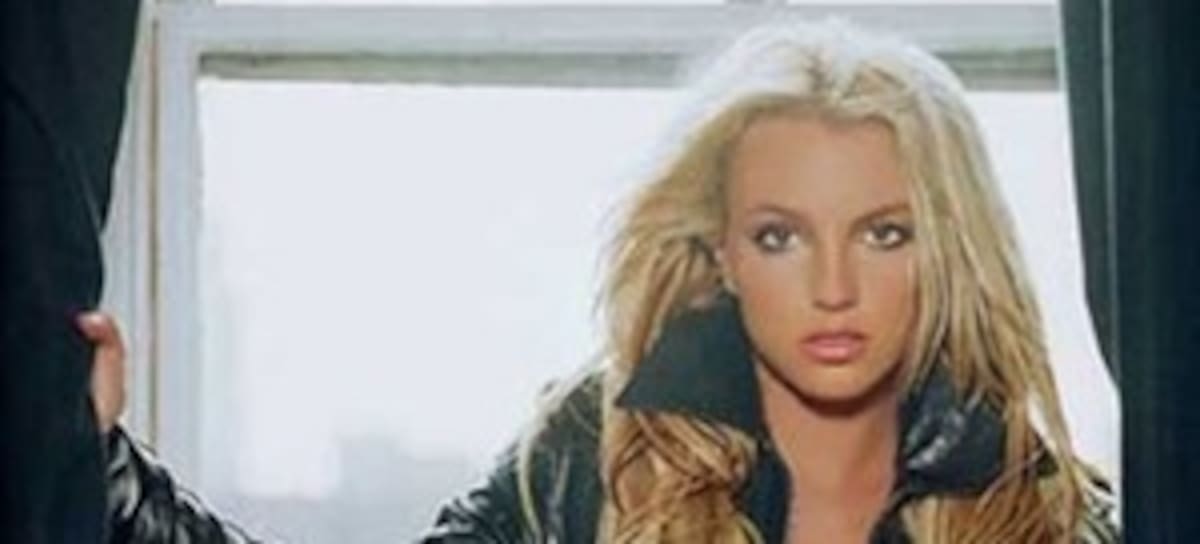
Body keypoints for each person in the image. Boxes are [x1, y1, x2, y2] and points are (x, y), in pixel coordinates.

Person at [80, 20, 1118, 543]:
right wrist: (102, 462)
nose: (835, 285)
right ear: (719, 256)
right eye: (781, 236)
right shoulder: (595, 458)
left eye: (885, 233)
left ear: (949, 250)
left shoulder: (1054, 515)